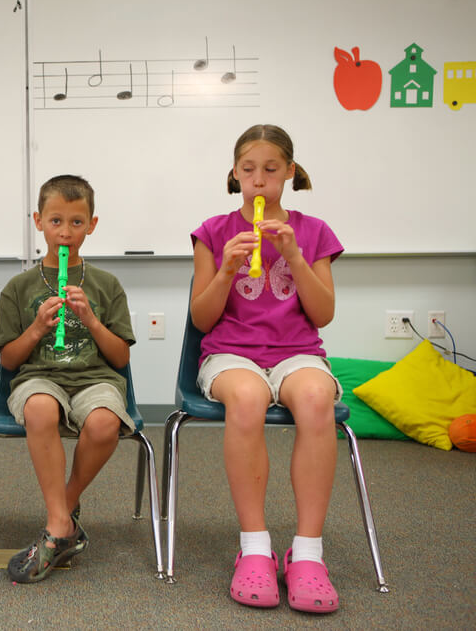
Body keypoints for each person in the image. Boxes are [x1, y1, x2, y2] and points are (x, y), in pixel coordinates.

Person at [190, 124, 344, 613]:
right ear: (235, 174)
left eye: (271, 170)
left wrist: (296, 255)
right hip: (231, 352)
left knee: (318, 399)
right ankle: (255, 547)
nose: (259, 180)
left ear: (289, 174)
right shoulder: (213, 231)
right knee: (249, 399)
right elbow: (202, 318)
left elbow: (322, 315)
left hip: (297, 352)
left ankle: (308, 554)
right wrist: (227, 270)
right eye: (248, 170)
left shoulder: (314, 231)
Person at [0, 175, 135, 583]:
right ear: (39, 222)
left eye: (76, 223)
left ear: (92, 225)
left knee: (105, 422)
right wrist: (37, 330)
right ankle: (61, 525)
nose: (65, 232)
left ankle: (62, 509)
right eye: (56, 221)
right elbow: (9, 360)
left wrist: (90, 318)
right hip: (38, 377)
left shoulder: (107, 285)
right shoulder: (19, 288)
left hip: (96, 378)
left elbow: (120, 356)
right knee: (40, 408)